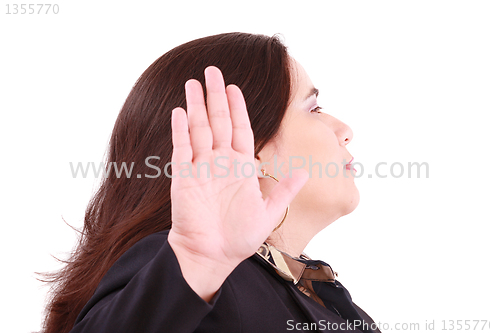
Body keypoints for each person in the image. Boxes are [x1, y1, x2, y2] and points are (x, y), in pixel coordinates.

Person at [40, 32, 381, 333]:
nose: (345, 131)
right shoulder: (206, 276)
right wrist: (196, 263)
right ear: (252, 149)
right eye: (314, 109)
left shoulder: (326, 298)